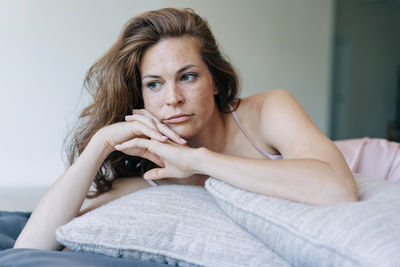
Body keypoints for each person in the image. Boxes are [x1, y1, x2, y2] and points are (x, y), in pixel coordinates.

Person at [14, 7, 358, 251]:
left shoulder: (268, 109)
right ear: (141, 98)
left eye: (188, 76)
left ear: (215, 81)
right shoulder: (150, 178)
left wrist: (196, 161)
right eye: (154, 84)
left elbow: (337, 189)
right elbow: (31, 247)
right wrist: (100, 144)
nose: (173, 98)